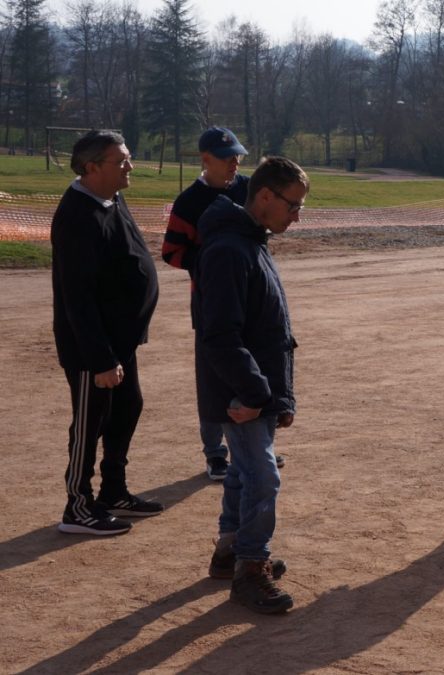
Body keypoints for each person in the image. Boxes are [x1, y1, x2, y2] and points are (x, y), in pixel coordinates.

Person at [195, 156, 307, 613]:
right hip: (240, 393)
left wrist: (279, 396)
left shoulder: (252, 242)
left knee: (243, 472)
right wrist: (257, 394)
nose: (296, 215)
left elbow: (270, 331)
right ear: (264, 196)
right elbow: (220, 336)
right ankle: (250, 568)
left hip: (255, 390)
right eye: (293, 205)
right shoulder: (228, 249)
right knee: (263, 476)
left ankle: (229, 552)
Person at [51, 130, 162, 535]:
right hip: (91, 348)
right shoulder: (77, 216)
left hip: (120, 340)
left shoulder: (111, 196)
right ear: (92, 167)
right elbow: (77, 298)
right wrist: (100, 359)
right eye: (121, 161)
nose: (130, 166)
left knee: (127, 408)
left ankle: (113, 491)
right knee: (90, 422)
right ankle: (78, 506)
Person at [162, 126, 284, 480]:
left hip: (251, 297)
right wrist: (212, 261)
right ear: (206, 160)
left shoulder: (247, 189)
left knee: (252, 368)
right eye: (226, 157)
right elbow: (171, 252)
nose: (234, 163)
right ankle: (215, 454)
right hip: (211, 300)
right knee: (215, 376)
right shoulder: (189, 202)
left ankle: (255, 447)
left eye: (237, 157)